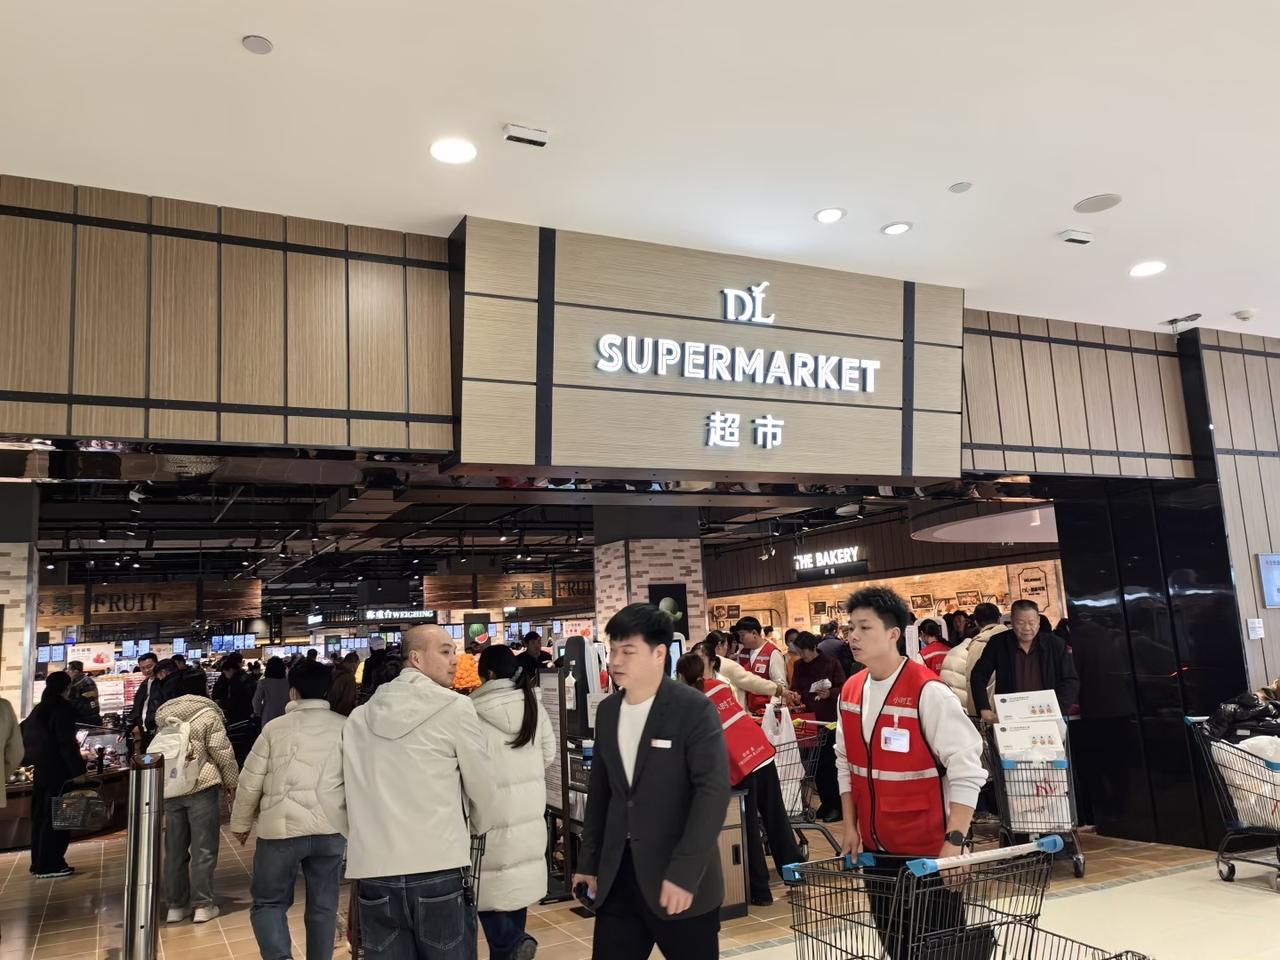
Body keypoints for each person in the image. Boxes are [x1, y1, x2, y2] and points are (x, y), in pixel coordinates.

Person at [316, 625, 496, 959]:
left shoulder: (359, 718)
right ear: (415, 658)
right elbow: (483, 785)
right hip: (439, 864)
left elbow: (327, 790)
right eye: (445, 651)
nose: (454, 660)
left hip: (374, 873)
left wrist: (365, 833)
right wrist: (475, 825)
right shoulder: (455, 709)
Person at [835, 587, 987, 958]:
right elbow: (845, 763)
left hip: (929, 852)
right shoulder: (851, 690)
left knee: (939, 950)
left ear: (893, 633)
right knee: (896, 947)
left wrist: (954, 841)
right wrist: (850, 827)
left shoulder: (927, 691)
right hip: (876, 852)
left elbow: (967, 769)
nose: (853, 636)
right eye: (850, 628)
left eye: (865, 628)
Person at [572, 603, 730, 960]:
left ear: (659, 654)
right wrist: (588, 863)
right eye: (612, 650)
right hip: (619, 876)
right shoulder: (608, 711)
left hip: (679, 878)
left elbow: (712, 793)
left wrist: (685, 872)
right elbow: (602, 793)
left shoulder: (693, 708)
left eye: (628, 651)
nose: (615, 661)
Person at [231, 659, 347, 960]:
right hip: (331, 829)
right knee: (324, 906)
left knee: (269, 903)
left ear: (293, 692)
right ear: (327, 691)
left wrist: (241, 823)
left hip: (280, 832)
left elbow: (250, 780)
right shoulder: (345, 727)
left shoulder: (275, 729)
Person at [676, 650, 799, 906]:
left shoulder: (688, 702)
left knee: (749, 830)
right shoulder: (719, 686)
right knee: (776, 818)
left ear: (680, 676)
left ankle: (760, 892)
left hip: (739, 765)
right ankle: (796, 875)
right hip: (760, 752)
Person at [471, 645, 556, 960]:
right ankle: (513, 944)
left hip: (487, 815)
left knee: (482, 890)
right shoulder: (533, 704)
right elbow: (548, 755)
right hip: (528, 811)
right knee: (515, 889)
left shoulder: (469, 710)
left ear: (488, 674)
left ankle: (511, 941)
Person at [155, 675, 239, 923]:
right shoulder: (208, 714)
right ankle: (202, 904)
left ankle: (175, 905)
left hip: (172, 787)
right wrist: (232, 782)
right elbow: (221, 752)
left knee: (174, 849)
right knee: (203, 848)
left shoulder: (164, 717)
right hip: (202, 784)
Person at [970, 599, 1081, 721]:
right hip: (1011, 715)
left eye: (1031, 622)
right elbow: (978, 675)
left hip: (1048, 714)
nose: (1027, 628)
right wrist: (984, 709)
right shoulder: (998, 643)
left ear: (1038, 622)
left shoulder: (1055, 644)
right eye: (1021, 622)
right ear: (1012, 621)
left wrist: (1058, 707)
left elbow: (1070, 679)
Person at [20, 672, 83, 878]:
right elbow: (67, 743)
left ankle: (38, 862)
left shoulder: (40, 708)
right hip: (59, 771)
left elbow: (24, 734)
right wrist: (79, 771)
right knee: (57, 818)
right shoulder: (63, 708)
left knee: (41, 816)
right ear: (67, 688)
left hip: (41, 770)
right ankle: (50, 864)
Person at [788, 631, 845, 821]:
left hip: (828, 721)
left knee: (830, 764)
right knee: (816, 766)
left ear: (813, 648)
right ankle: (826, 803)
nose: (801, 655)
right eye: (798, 652)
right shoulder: (799, 666)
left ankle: (837, 806)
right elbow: (795, 687)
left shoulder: (831, 663)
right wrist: (795, 696)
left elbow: (843, 687)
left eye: (804, 651)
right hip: (808, 720)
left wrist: (830, 693)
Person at [939, 603, 1005, 717]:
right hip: (1013, 710)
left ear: (977, 622)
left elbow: (972, 684)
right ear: (999, 619)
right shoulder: (1015, 641)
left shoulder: (974, 646)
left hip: (982, 715)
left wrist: (977, 714)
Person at [706, 631, 785, 709]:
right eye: (726, 645)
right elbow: (751, 681)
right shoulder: (726, 664)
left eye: (743, 635)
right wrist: (779, 690)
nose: (727, 648)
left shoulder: (704, 662)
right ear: (719, 646)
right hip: (730, 708)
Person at [733, 616, 786, 714]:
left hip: (767, 710)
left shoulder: (772, 653)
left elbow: (780, 684)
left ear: (754, 633)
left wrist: (771, 708)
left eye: (742, 635)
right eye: (739, 635)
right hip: (748, 710)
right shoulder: (743, 653)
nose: (740, 639)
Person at [213, 652, 256, 766]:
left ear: (231, 670)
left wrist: (222, 704)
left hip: (237, 716)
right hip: (247, 716)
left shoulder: (235, 682)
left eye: (225, 672)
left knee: (237, 745)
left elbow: (235, 700)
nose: (225, 675)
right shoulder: (246, 678)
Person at [128, 652, 160, 749]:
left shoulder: (163, 683)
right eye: (143, 668)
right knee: (146, 755)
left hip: (158, 730)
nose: (146, 670)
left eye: (149, 666)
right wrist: (126, 728)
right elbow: (137, 708)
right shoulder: (144, 684)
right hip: (145, 731)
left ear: (157, 664)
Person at [253, 657, 291, 728]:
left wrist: (258, 713)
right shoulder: (288, 682)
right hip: (286, 714)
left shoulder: (263, 682)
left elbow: (256, 701)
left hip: (269, 715)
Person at [65, 661, 101, 725]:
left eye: (69, 670)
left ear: (75, 671)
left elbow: (79, 701)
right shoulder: (82, 681)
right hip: (89, 716)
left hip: (86, 718)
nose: (67, 672)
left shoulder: (82, 683)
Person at [328, 652, 360, 717]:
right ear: (353, 664)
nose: (357, 668)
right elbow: (348, 701)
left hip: (330, 710)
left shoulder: (334, 670)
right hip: (340, 716)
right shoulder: (349, 677)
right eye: (357, 665)